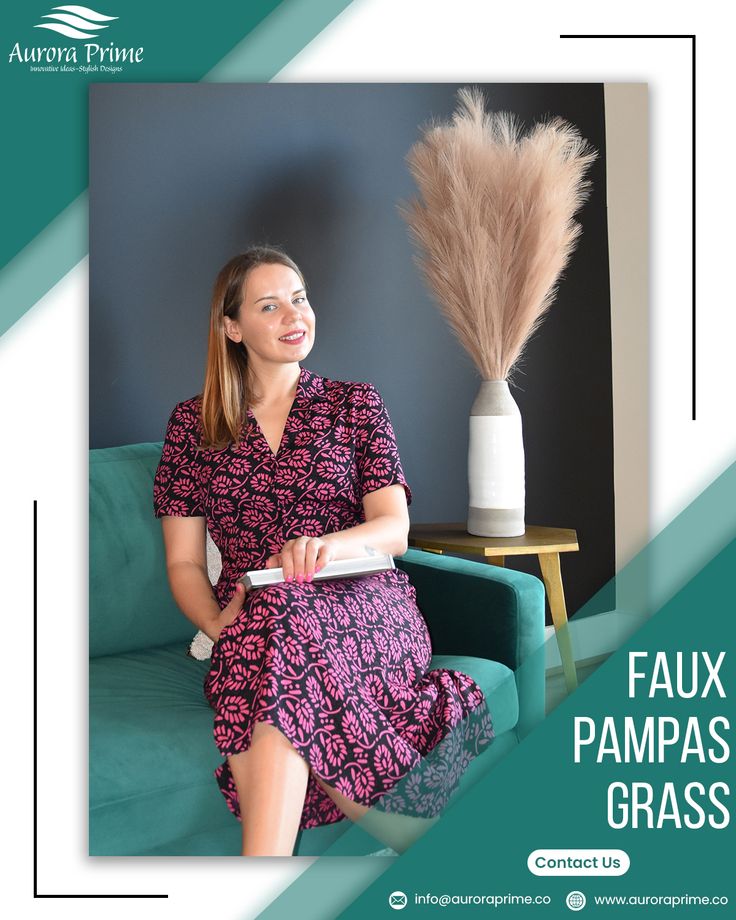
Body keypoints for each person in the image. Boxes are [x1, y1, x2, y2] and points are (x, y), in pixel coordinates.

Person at [152, 245, 494, 856]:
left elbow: (393, 528)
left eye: (300, 297)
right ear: (232, 328)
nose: (295, 314)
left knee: (273, 636)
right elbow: (182, 560)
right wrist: (213, 621)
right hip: (257, 618)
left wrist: (326, 546)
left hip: (367, 604)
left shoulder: (355, 403)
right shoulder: (192, 424)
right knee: (271, 632)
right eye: (269, 304)